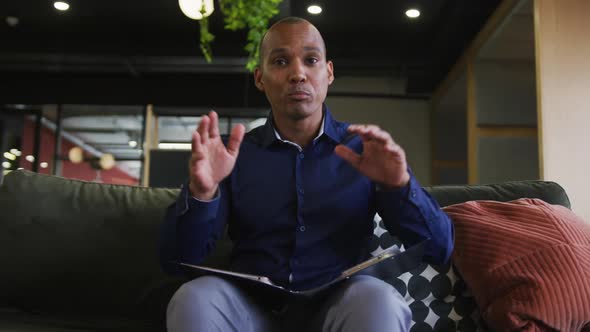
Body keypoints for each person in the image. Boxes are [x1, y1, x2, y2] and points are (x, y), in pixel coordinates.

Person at [160, 16, 454, 332]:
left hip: (340, 308)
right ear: (260, 78)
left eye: (311, 60)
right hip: (250, 310)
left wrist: (399, 186)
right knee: (192, 297)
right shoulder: (234, 155)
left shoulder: (366, 149)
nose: (298, 73)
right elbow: (176, 260)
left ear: (328, 72)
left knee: (379, 299)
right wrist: (201, 193)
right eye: (281, 61)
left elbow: (441, 249)